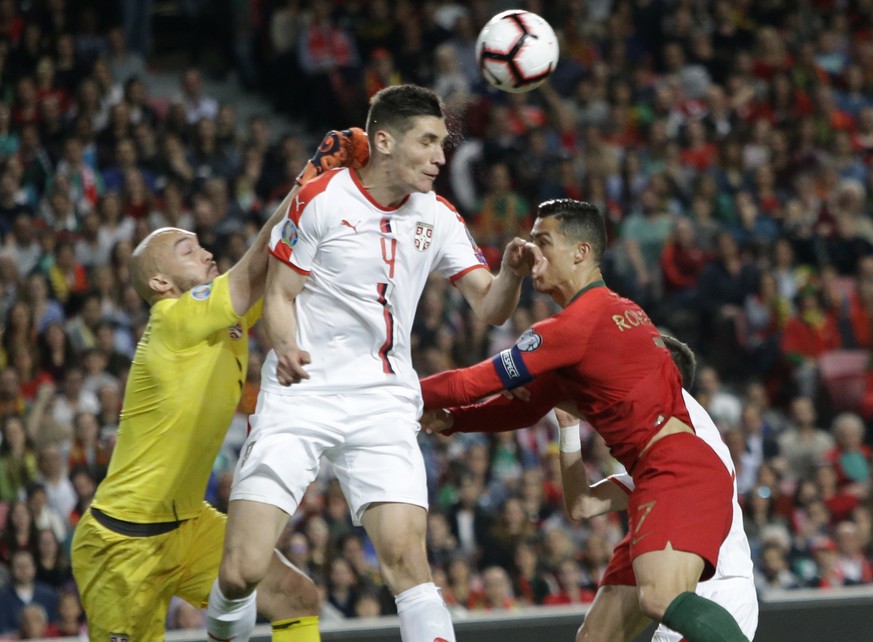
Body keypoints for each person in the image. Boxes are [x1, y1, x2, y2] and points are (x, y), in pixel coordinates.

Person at [207, 84, 542, 642]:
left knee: (409, 564)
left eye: (443, 143)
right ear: (383, 141)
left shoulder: (437, 215)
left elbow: (489, 307)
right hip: (303, 393)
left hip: (383, 401)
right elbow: (282, 295)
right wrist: (286, 347)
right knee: (241, 571)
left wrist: (509, 273)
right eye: (428, 142)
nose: (441, 156)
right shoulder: (320, 199)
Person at [70, 129, 369, 642]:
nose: (207, 253)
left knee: (295, 596)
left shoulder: (222, 320)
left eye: (203, 245)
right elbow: (254, 268)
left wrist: (344, 195)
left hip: (188, 525)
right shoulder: (170, 320)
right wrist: (310, 179)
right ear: (161, 284)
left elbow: (275, 266)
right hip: (120, 542)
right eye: (189, 251)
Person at [419, 199, 750, 642]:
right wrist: (451, 423)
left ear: (580, 252)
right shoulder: (614, 316)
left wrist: (394, 393)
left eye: (543, 242)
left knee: (659, 597)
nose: (532, 251)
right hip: (656, 474)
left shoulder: (575, 326)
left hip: (676, 469)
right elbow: (525, 407)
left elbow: (470, 383)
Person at [422, 335, 758, 641]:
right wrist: (567, 429)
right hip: (665, 517)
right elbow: (582, 505)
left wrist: (464, 412)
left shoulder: (690, 446)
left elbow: (552, 389)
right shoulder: (654, 458)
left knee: (658, 598)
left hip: (717, 588)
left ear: (664, 374)